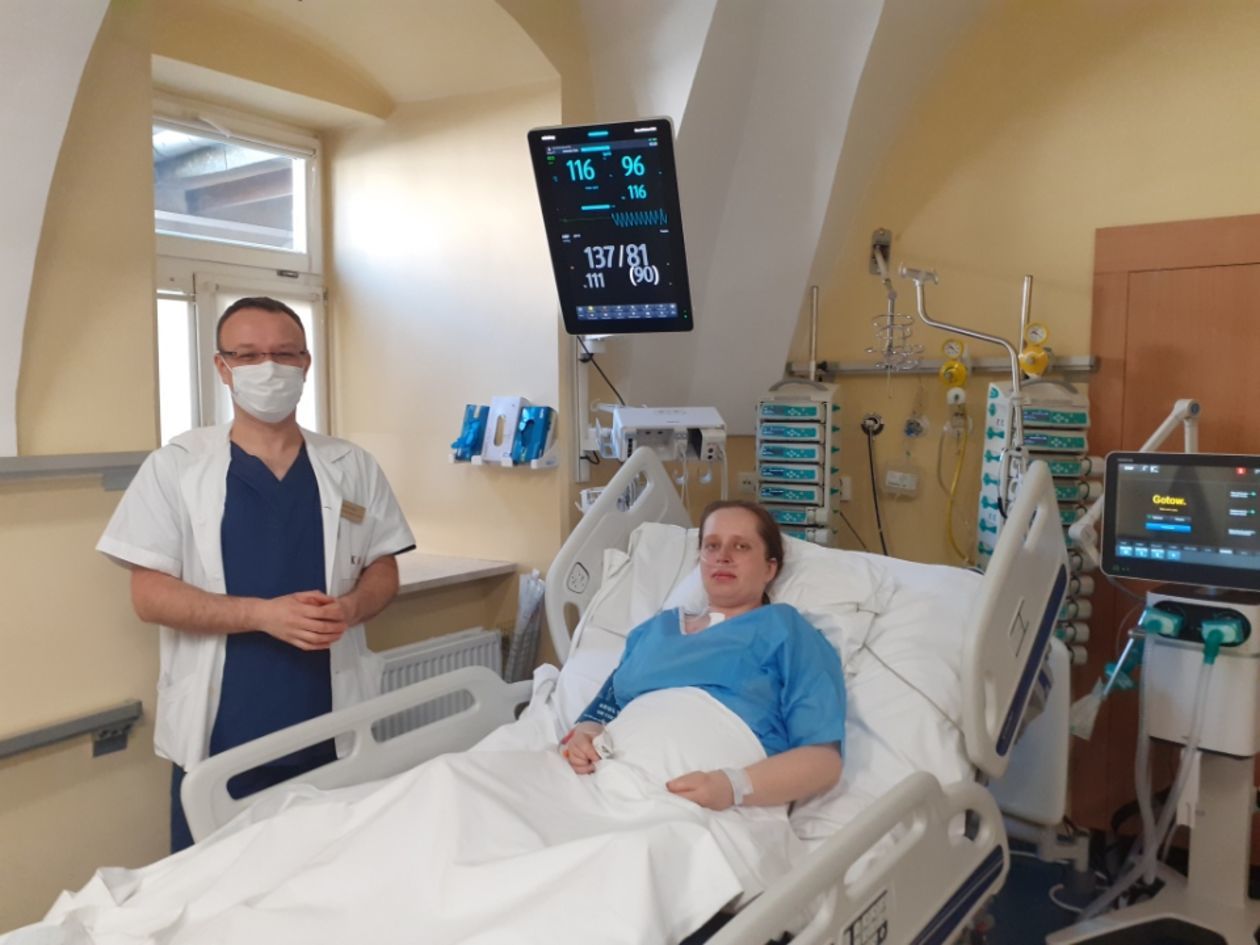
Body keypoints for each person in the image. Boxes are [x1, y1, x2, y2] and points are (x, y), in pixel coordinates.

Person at [97, 296, 415, 852]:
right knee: (215, 886)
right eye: (247, 355)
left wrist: (351, 607)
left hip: (330, 724)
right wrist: (262, 615)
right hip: (223, 732)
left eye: (284, 354)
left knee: (332, 873)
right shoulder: (176, 466)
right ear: (222, 368)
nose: (268, 368)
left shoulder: (351, 466)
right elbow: (149, 596)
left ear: (305, 363)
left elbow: (382, 567)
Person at [563, 500, 845, 810]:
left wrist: (733, 786)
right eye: (712, 546)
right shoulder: (653, 630)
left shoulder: (786, 629)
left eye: (741, 546)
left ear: (769, 568)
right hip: (601, 779)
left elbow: (824, 761)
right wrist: (583, 738)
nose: (723, 556)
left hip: (700, 803)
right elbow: (598, 715)